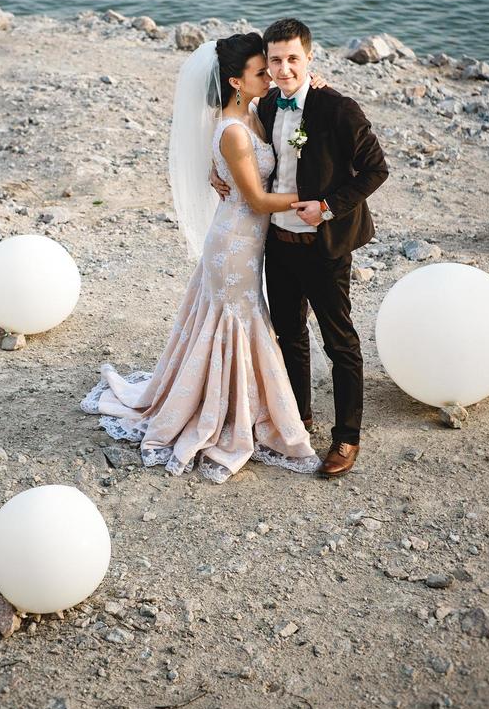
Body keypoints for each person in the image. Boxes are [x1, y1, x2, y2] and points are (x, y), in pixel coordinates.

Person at [81, 32, 329, 483]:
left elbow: (287, 104)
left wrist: (315, 84)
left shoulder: (254, 111)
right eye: (261, 71)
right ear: (236, 81)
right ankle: (229, 413)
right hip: (235, 241)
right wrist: (318, 198)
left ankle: (242, 403)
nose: (271, 75)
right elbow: (255, 199)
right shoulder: (233, 132)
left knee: (237, 320)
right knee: (238, 320)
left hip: (243, 241)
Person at [211, 18, 389, 477]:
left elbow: (375, 170)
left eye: (293, 59)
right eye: (276, 60)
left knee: (340, 341)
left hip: (325, 245)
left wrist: (328, 205)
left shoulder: (338, 109)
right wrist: (217, 173)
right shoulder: (265, 105)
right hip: (277, 244)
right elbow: (233, 140)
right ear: (266, 65)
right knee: (289, 334)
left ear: (310, 58)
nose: (284, 68)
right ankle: (299, 417)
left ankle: (347, 437)